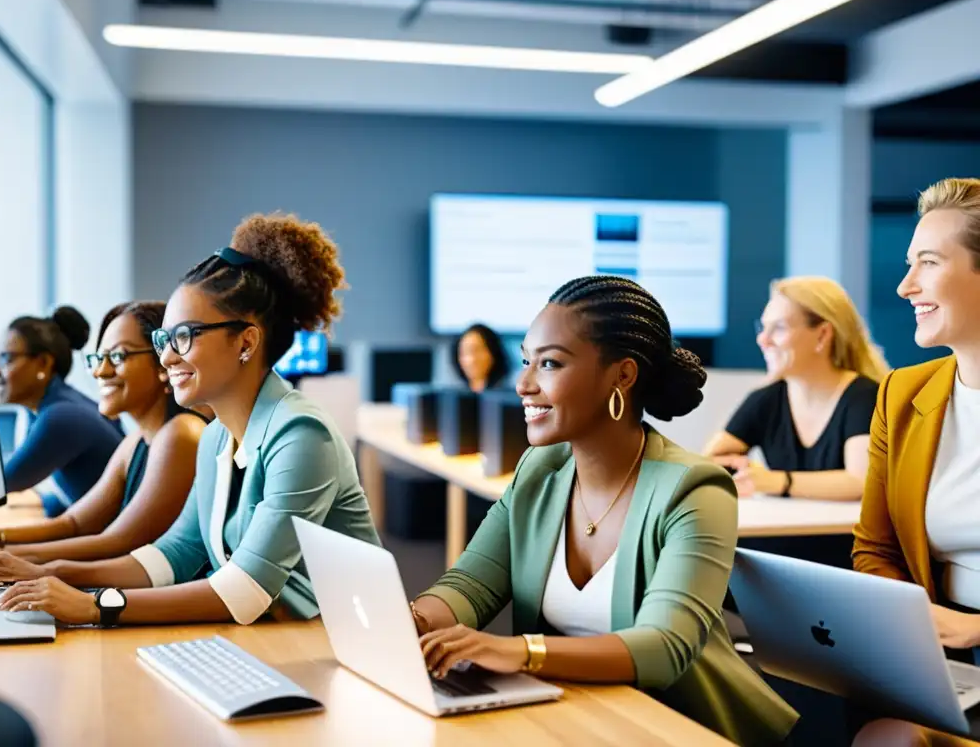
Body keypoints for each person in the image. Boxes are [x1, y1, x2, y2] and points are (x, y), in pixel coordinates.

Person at [408, 275, 799, 747]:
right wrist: (419, 621)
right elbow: (471, 584)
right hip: (573, 717)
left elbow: (662, 647)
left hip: (681, 727)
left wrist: (517, 651)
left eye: (549, 363)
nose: (523, 384)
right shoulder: (539, 470)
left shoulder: (695, 488)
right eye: (526, 361)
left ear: (623, 376)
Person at [0, 213, 380, 628]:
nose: (166, 357)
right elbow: (174, 554)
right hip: (284, 643)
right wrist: (52, 573)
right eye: (164, 339)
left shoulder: (301, 434)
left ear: (246, 342)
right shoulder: (217, 438)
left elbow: (246, 589)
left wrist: (95, 606)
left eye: (185, 336)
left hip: (346, 647)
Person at [851, 178, 980, 747]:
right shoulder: (902, 393)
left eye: (928, 262)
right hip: (944, 659)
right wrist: (914, 622)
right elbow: (874, 549)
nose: (906, 286)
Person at [0, 301, 206, 572]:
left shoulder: (181, 435)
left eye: (119, 357)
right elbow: (73, 522)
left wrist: (13, 556)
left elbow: (117, 542)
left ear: (163, 361)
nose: (101, 371)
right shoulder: (136, 441)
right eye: (99, 359)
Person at [704, 276, 888, 500]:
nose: (763, 339)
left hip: (842, 534)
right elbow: (708, 460)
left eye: (778, 328)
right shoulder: (766, 399)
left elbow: (859, 481)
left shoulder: (864, 396)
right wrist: (735, 467)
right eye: (763, 327)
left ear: (822, 335)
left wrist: (778, 480)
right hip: (781, 530)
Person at [0, 307, 125, 517]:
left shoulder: (61, 417)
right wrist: (46, 502)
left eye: (6, 359)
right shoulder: (62, 403)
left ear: (43, 362)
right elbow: (78, 496)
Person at [452, 323, 510, 393]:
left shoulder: (510, 393)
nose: (471, 359)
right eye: (464, 352)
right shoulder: (454, 395)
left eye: (477, 350)